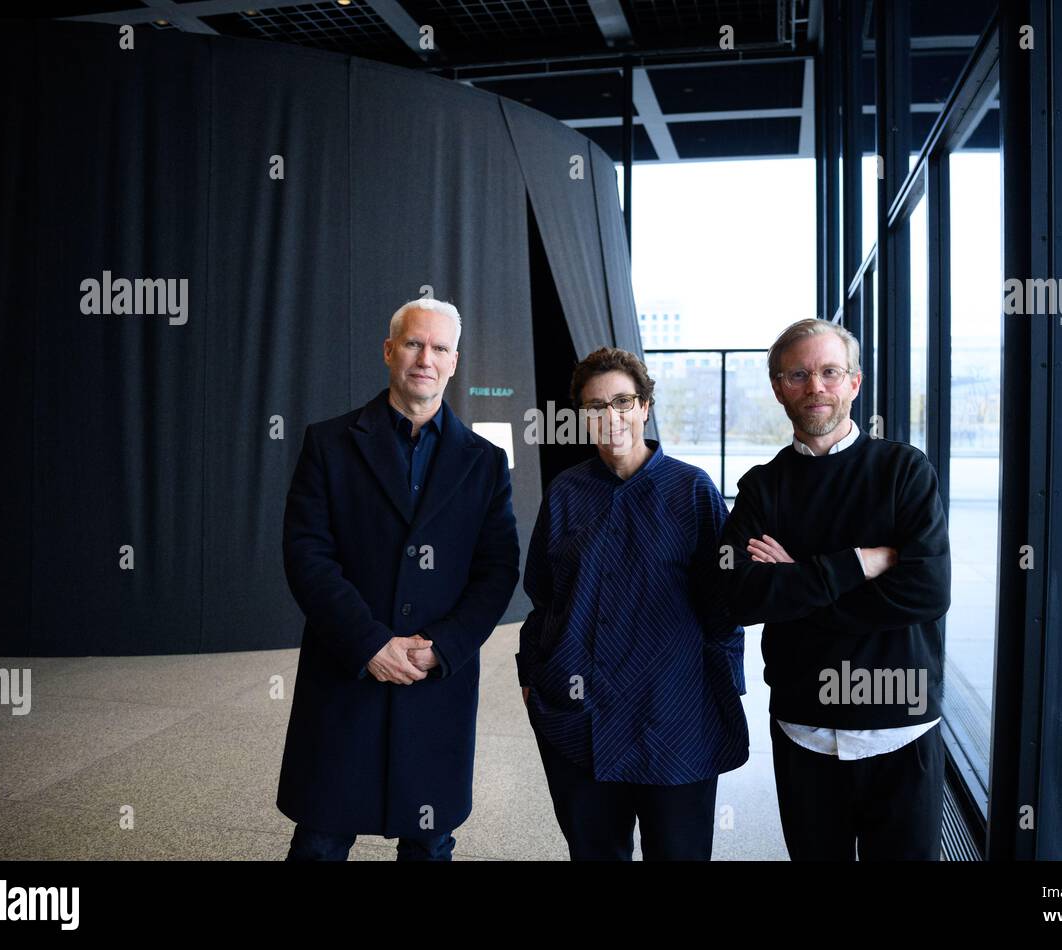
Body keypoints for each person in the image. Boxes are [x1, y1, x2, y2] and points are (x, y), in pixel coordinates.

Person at [276, 298, 520, 861]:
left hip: (435, 681)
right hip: (346, 672)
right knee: (320, 840)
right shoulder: (328, 443)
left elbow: (497, 569)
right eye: (414, 343)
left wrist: (444, 647)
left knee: (429, 843)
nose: (425, 358)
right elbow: (307, 555)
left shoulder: (484, 462)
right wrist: (370, 643)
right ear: (390, 351)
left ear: (454, 362)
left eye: (439, 348)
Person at [719, 318, 951, 860]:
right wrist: (859, 563)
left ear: (854, 383)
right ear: (779, 387)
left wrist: (796, 584)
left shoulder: (904, 471)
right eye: (798, 374)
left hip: (901, 727)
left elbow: (926, 592)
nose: (815, 386)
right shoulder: (762, 486)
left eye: (829, 372)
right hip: (805, 729)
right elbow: (741, 597)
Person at [517, 346, 749, 861]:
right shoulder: (566, 492)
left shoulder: (690, 489)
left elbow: (723, 605)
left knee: (679, 852)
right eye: (596, 406)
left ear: (644, 406)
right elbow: (543, 598)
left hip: (674, 711)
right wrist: (531, 677)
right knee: (596, 852)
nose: (611, 416)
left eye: (623, 401)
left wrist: (726, 685)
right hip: (582, 712)